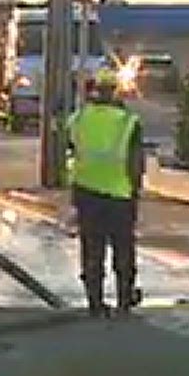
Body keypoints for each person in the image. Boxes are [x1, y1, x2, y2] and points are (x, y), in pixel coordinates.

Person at [66, 70, 145, 317]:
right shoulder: (127, 122)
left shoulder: (78, 119)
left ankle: (95, 303)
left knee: (92, 248)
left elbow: (71, 154)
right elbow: (135, 163)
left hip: (86, 193)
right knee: (122, 248)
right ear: (117, 91)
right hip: (119, 194)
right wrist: (135, 191)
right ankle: (124, 301)